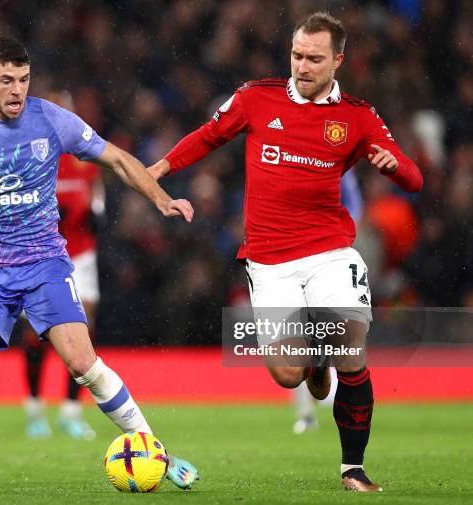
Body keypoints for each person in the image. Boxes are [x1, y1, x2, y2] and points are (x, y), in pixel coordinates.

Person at [149, 12, 423, 492]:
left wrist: (393, 165)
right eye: (297, 55)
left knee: (350, 351)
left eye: (315, 58)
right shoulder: (257, 98)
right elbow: (209, 135)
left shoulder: (357, 116)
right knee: (287, 374)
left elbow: (415, 180)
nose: (303, 65)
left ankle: (353, 469)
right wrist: (161, 167)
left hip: (331, 252)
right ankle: (314, 360)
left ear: (338, 60)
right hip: (270, 259)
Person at [0, 36, 199, 492]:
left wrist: (161, 198)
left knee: (85, 363)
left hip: (44, 263)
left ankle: (158, 452)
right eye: (6, 81)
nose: (17, 90)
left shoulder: (51, 119)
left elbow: (114, 157)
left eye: (24, 79)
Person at [22, 91, 105, 440]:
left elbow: (99, 209)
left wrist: (92, 213)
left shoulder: (84, 161)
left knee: (83, 331)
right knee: (36, 335)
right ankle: (35, 409)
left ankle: (71, 410)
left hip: (80, 253)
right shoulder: (27, 158)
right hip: (38, 254)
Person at [292, 170, 362, 435]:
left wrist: (339, 239)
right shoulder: (296, 163)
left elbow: (355, 204)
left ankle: (337, 390)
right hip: (298, 256)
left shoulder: (335, 165)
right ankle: (307, 412)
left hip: (332, 255)